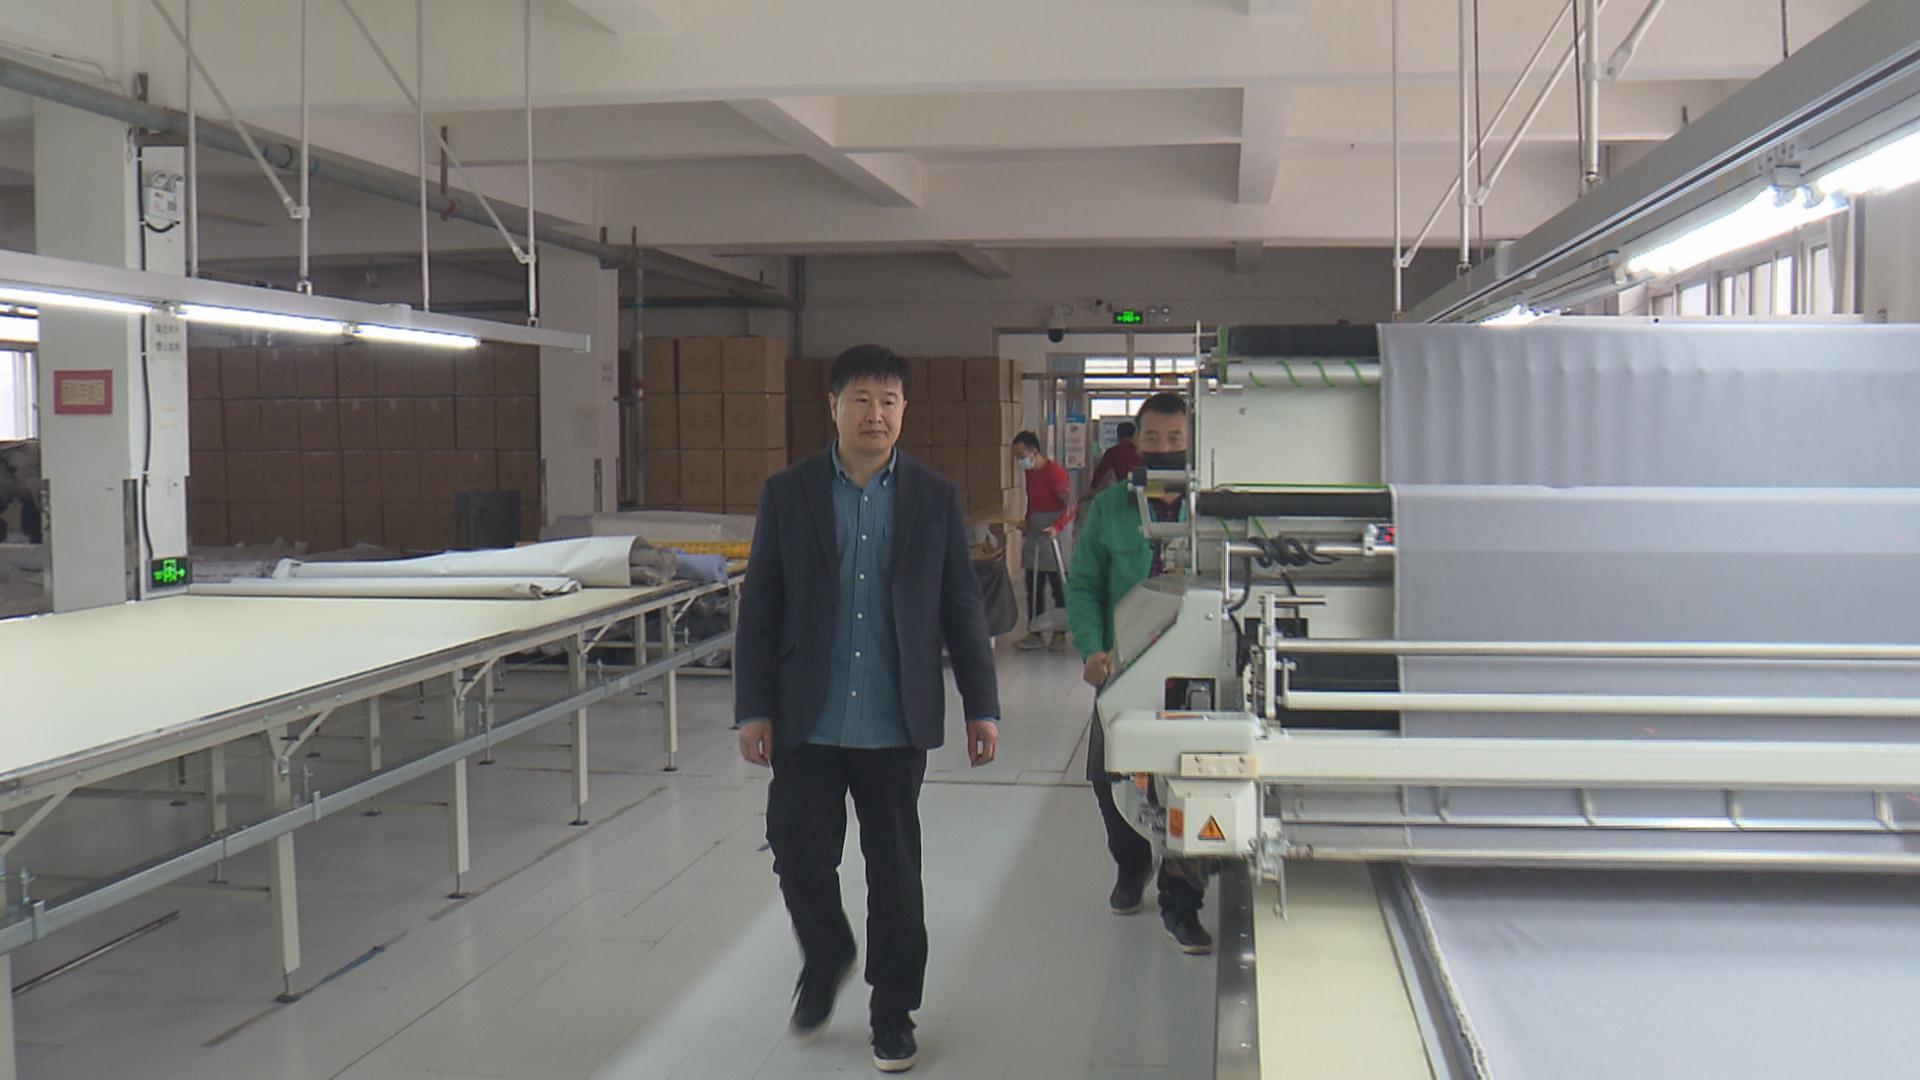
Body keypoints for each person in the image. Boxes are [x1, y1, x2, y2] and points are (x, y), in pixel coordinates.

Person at [736, 344, 1002, 1074]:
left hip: (893, 720)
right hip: (807, 719)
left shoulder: (933, 497)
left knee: (895, 873)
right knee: (797, 853)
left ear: (904, 409)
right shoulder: (788, 493)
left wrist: (982, 706)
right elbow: (760, 607)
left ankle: (893, 1012)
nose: (875, 414)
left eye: (888, 400)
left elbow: (961, 608)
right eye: (861, 399)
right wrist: (753, 707)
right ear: (834, 407)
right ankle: (827, 955)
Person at [1066, 392, 1212, 954]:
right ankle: (1131, 863)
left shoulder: (1215, 505)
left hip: (1197, 664)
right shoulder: (1111, 508)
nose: (1164, 448)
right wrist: (1092, 649)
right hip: (1125, 662)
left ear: (1192, 442)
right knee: (1107, 773)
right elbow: (1084, 586)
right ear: (1137, 443)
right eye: (1153, 438)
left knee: (1190, 776)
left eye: (1176, 439)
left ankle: (1182, 901)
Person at [1010, 430, 1074, 652]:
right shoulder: (1030, 473)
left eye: (1021, 455)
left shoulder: (1054, 472)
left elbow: (1070, 504)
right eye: (1017, 456)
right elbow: (1032, 500)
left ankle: (1059, 632)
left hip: (1055, 533)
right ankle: (1034, 632)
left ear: (1034, 451)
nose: (1020, 460)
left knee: (1058, 586)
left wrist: (1057, 526)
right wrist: (1027, 521)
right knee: (1033, 584)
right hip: (1036, 532)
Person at [1087, 422, 1140, 496]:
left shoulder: (1112, 452)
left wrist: (1091, 490)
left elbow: (1099, 472)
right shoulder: (1140, 451)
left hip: (1122, 491)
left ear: (1118, 435)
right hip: (1140, 490)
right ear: (1134, 435)